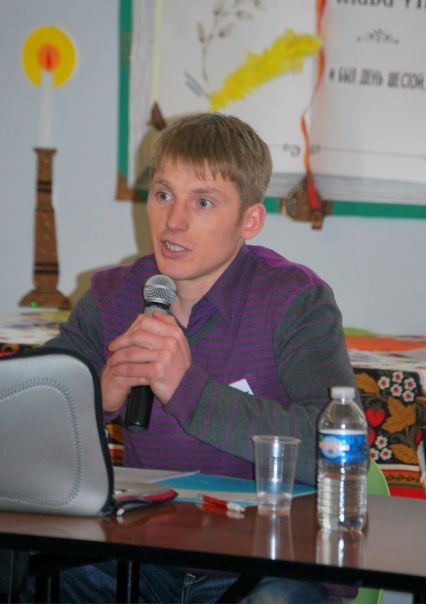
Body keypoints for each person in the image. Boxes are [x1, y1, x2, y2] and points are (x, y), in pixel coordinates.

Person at [26, 113, 357, 603]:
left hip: (263, 558)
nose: (173, 221)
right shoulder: (113, 295)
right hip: (142, 556)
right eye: (163, 194)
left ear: (249, 220)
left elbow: (334, 449)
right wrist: (96, 395)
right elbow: (24, 423)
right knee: (27, 572)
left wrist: (189, 390)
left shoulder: (294, 300)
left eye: (202, 202)